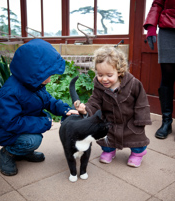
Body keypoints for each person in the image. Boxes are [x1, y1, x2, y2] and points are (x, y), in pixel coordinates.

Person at [0, 39, 78, 176]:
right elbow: (11, 123)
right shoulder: (10, 93)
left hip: (15, 123)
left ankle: (23, 151)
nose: (49, 80)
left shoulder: (33, 84)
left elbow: (48, 101)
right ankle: (7, 154)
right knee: (33, 140)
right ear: (33, 72)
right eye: (48, 76)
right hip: (0, 128)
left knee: (35, 132)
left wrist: (65, 110)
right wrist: (43, 122)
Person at [74, 46, 152, 168]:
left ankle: (138, 154)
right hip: (110, 121)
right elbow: (95, 101)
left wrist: (141, 120)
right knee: (106, 138)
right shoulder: (99, 85)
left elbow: (141, 102)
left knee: (137, 140)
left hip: (130, 121)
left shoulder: (133, 84)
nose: (104, 79)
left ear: (119, 71)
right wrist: (86, 109)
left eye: (109, 75)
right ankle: (109, 151)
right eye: (100, 74)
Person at [143, 0, 175, 139]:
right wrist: (151, 28)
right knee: (167, 76)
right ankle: (166, 122)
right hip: (168, 27)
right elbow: (157, 3)